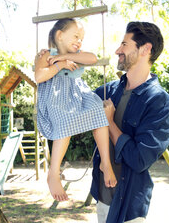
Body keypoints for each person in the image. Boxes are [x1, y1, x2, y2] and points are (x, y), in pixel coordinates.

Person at [90, 22, 169, 223]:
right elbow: (74, 108)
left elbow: (139, 159)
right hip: (102, 198)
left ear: (145, 49)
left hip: (130, 208)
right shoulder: (108, 91)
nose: (118, 50)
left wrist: (109, 122)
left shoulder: (159, 101)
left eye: (124, 45)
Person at [34, 18, 117, 202]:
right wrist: (59, 64)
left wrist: (66, 57)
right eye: (76, 36)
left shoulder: (77, 55)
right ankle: (54, 173)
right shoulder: (46, 54)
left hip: (77, 96)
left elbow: (92, 58)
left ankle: (105, 161)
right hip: (56, 99)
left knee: (98, 110)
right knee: (64, 120)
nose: (79, 41)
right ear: (60, 35)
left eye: (82, 38)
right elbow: (39, 76)